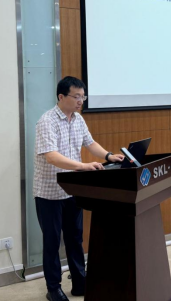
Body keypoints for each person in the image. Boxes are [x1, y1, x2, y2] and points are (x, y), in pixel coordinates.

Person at [34, 76, 124, 301]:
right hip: (49, 193)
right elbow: (52, 157)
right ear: (61, 96)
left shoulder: (78, 119)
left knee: (75, 238)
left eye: (83, 97)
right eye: (76, 97)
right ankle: (53, 288)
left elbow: (89, 143)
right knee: (52, 242)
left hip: (73, 190)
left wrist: (108, 156)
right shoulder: (47, 121)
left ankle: (79, 281)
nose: (81, 101)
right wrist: (83, 166)